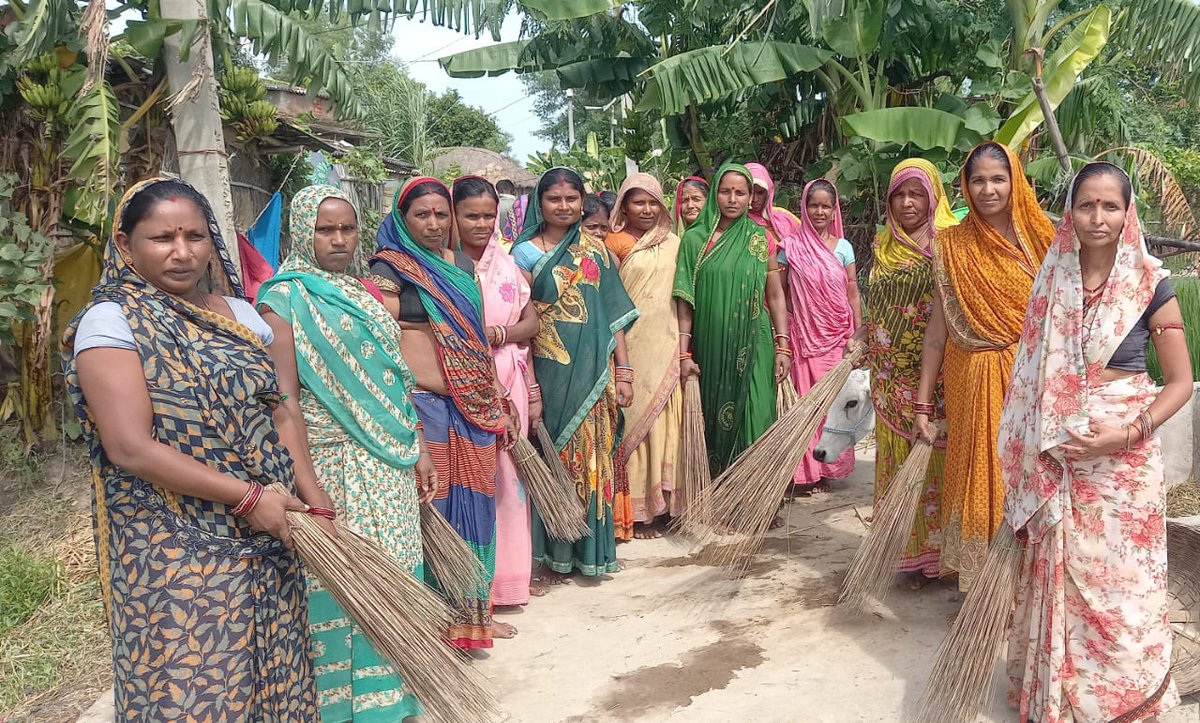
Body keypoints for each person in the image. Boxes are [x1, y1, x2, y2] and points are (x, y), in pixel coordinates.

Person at [64, 177, 323, 719]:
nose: (182, 253)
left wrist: (311, 495)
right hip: (172, 542)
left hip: (269, 531)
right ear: (124, 244)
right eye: (162, 238)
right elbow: (129, 447)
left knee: (275, 674)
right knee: (194, 684)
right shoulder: (111, 322)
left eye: (195, 237)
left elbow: (279, 410)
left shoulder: (240, 314)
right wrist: (249, 499)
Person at [999, 162, 1191, 722]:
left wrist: (1125, 435)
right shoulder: (1050, 281)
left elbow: (1179, 382)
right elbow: (1031, 378)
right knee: (1062, 584)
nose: (1098, 217)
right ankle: (1064, 697)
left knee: (1123, 591)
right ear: (1070, 212)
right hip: (1062, 462)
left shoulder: (1151, 283)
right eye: (1087, 205)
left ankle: (1127, 700)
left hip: (1123, 466)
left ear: (1127, 212)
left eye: (1111, 206)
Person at [257, 184, 436, 720]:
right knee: (342, 587)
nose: (337, 239)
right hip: (331, 467)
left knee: (397, 574)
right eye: (324, 229)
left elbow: (394, 380)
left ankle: (396, 699)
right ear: (302, 231)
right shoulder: (281, 299)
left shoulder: (363, 294)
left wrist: (418, 445)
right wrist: (309, 490)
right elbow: (283, 400)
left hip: (389, 464)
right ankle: (344, 709)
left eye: (347, 228)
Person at [369, 176, 513, 649]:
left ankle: (476, 616)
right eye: (421, 215)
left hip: (472, 408)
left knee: (476, 511)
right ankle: (434, 624)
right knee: (435, 515)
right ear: (401, 218)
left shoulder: (459, 264)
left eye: (439, 214)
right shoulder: (389, 270)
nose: (433, 224)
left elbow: (472, 338)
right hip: (423, 408)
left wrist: (496, 395)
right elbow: (383, 347)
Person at [912, 141, 1056, 590]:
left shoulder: (1044, 242)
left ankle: (1031, 585)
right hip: (971, 375)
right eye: (978, 180)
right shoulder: (951, 246)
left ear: (1015, 181)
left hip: (1034, 380)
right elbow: (937, 332)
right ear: (965, 187)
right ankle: (986, 587)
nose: (989, 189)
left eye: (998, 178)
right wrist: (921, 406)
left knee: (1030, 476)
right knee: (981, 475)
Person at [511, 167, 638, 574]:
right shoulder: (525, 254)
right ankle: (554, 554)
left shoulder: (597, 251)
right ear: (540, 203)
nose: (564, 206)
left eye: (571, 199)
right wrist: (529, 386)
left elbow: (614, 318)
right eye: (554, 199)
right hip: (546, 373)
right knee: (553, 461)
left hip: (593, 376)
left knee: (592, 462)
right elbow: (521, 324)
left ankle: (591, 553)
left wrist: (624, 372)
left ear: (582, 201)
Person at [451, 175, 544, 607]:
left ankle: (510, 579)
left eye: (490, 215)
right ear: (454, 214)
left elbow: (531, 323)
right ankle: (475, 589)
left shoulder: (507, 264)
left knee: (511, 479)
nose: (482, 224)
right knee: (475, 478)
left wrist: (498, 333)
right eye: (472, 215)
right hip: (462, 383)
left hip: (510, 377)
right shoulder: (444, 265)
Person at [866, 158, 959, 585]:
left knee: (936, 458)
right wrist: (862, 340)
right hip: (887, 376)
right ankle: (904, 549)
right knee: (896, 459)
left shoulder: (948, 244)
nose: (907, 203)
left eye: (916, 193)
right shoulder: (881, 246)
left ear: (933, 196)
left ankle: (940, 554)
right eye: (900, 194)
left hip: (935, 374)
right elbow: (877, 306)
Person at [674, 164, 792, 477]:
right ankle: (723, 494)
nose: (733, 199)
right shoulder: (695, 239)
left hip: (756, 341)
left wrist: (783, 346)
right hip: (710, 343)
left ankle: (758, 496)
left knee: (758, 410)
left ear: (751, 197)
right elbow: (685, 300)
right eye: (725, 191)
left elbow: (776, 296)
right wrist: (684, 352)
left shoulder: (761, 238)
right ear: (715, 194)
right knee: (715, 419)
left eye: (741, 192)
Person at [749, 166, 861, 491]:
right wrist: (781, 331)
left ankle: (831, 469)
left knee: (835, 406)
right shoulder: (790, 247)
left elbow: (852, 291)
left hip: (838, 337)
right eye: (814, 205)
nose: (820, 211)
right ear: (804, 207)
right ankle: (808, 474)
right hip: (803, 337)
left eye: (826, 206)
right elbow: (779, 294)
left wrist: (858, 332)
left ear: (834, 209)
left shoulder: (844, 248)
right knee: (806, 406)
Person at [608, 173, 684, 539]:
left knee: (667, 422)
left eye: (654, 202)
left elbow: (682, 295)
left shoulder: (674, 243)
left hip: (667, 342)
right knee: (633, 423)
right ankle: (636, 511)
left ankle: (667, 504)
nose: (647, 209)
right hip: (630, 346)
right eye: (639, 202)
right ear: (623, 205)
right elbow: (610, 300)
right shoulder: (614, 243)